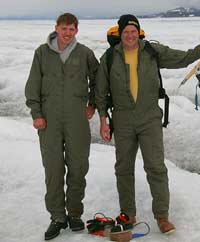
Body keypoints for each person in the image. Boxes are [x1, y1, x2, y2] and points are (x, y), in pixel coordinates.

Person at [95, 14, 200, 234]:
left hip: (149, 118)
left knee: (155, 167)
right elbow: (100, 91)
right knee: (123, 168)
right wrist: (102, 120)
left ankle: (162, 217)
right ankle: (128, 214)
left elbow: (182, 58)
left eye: (133, 31)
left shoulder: (152, 52)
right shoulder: (109, 57)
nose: (129, 35)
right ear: (120, 34)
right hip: (123, 119)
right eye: (125, 32)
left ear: (139, 32)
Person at [25, 13, 99, 240]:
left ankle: (75, 213)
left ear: (76, 30)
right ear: (56, 28)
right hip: (49, 119)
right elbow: (32, 85)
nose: (68, 33)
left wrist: (93, 103)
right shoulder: (42, 53)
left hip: (77, 118)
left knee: (78, 167)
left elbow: (99, 79)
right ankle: (57, 217)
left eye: (72, 29)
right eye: (64, 28)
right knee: (54, 169)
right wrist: (36, 113)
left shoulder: (85, 53)